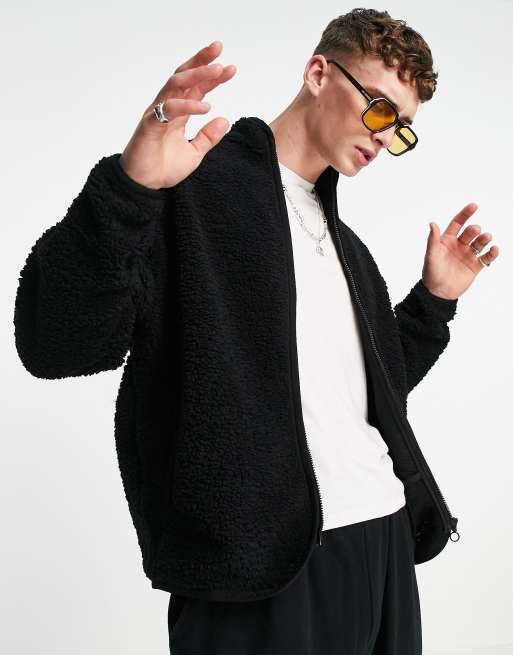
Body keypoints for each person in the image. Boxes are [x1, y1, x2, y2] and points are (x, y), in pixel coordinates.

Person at [14, 8, 498, 655]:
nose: (385, 137)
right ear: (319, 73)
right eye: (380, 108)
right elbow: (55, 343)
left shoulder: (350, 252)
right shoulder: (192, 190)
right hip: (261, 567)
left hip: (382, 542)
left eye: (400, 128)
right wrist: (131, 190)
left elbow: (361, 396)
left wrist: (434, 303)